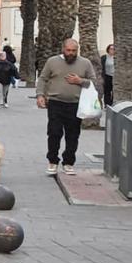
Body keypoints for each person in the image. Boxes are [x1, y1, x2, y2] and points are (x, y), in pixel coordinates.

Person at [37, 38, 97, 176]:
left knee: (73, 135)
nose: (71, 53)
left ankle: (68, 163)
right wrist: (40, 95)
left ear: (78, 50)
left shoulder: (85, 63)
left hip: (76, 105)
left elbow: (94, 82)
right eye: (68, 50)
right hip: (55, 102)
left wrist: (80, 81)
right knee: (54, 133)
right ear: (63, 49)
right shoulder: (52, 61)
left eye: (74, 51)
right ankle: (52, 162)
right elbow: (43, 78)